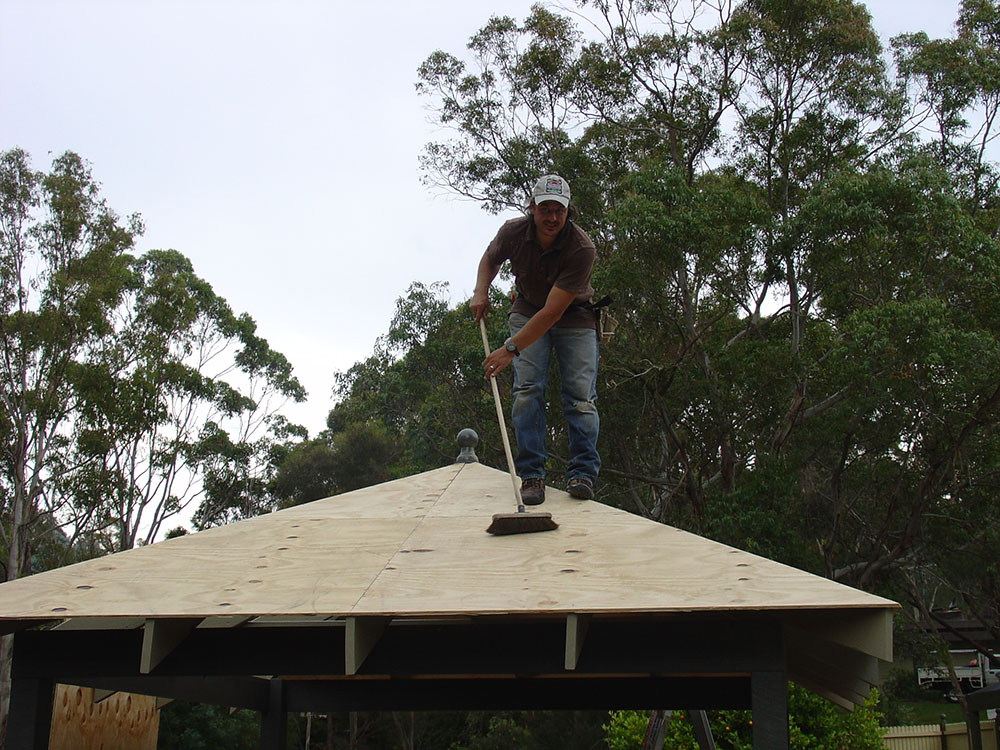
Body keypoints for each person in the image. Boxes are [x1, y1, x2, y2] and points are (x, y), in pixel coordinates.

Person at [469, 174, 600, 505]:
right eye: (546, 209)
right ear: (532, 208)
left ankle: (582, 474)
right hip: (527, 309)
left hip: (573, 316)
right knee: (527, 391)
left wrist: (510, 348)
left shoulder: (581, 247)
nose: (552, 218)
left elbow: (553, 313)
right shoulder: (513, 232)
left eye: (560, 210)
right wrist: (480, 292)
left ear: (569, 212)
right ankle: (532, 475)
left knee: (580, 397)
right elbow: (490, 258)